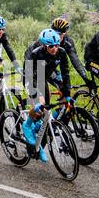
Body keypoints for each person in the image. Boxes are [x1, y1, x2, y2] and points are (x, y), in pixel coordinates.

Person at [20, 28, 73, 161]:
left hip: (42, 79)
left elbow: (65, 74)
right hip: (30, 79)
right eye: (51, 46)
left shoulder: (61, 52)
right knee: (41, 104)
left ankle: (39, 147)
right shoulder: (36, 53)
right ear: (44, 46)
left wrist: (67, 94)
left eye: (57, 45)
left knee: (46, 113)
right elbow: (31, 77)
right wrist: (38, 94)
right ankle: (27, 124)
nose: (55, 48)